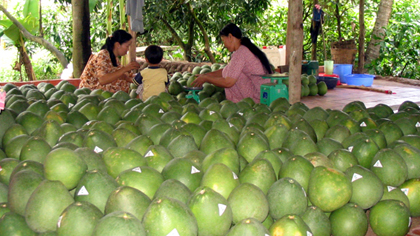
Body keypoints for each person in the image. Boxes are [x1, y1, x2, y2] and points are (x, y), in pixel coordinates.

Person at [192, 23, 273, 103]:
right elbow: (228, 70)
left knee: (232, 77)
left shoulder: (241, 53)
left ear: (230, 37)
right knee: (231, 72)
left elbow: (228, 83)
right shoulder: (244, 49)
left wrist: (207, 79)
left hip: (259, 97)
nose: (224, 45)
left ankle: (238, 102)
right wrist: (206, 75)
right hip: (264, 93)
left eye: (223, 41)